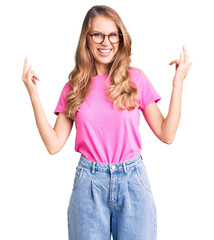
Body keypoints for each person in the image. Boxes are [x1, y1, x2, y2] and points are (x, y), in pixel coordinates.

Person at [22, 4, 192, 240]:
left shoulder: (135, 80)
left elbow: (167, 134)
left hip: (133, 181)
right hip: (89, 184)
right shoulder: (74, 88)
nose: (106, 42)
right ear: (86, 39)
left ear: (120, 39)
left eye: (113, 35)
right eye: (98, 35)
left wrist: (178, 83)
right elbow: (53, 145)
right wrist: (33, 94)